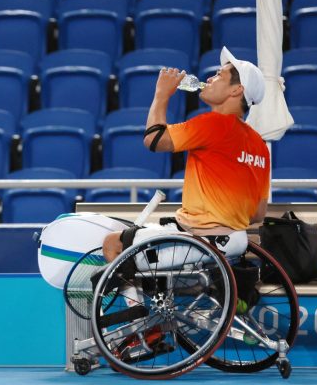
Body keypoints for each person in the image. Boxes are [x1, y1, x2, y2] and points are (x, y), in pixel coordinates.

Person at [103, 46, 270, 262]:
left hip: (202, 240)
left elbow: (153, 139)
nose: (209, 78)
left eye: (219, 75)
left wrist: (161, 94)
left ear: (236, 90)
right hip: (235, 241)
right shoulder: (260, 145)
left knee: (112, 244)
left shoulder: (214, 123)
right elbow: (258, 213)